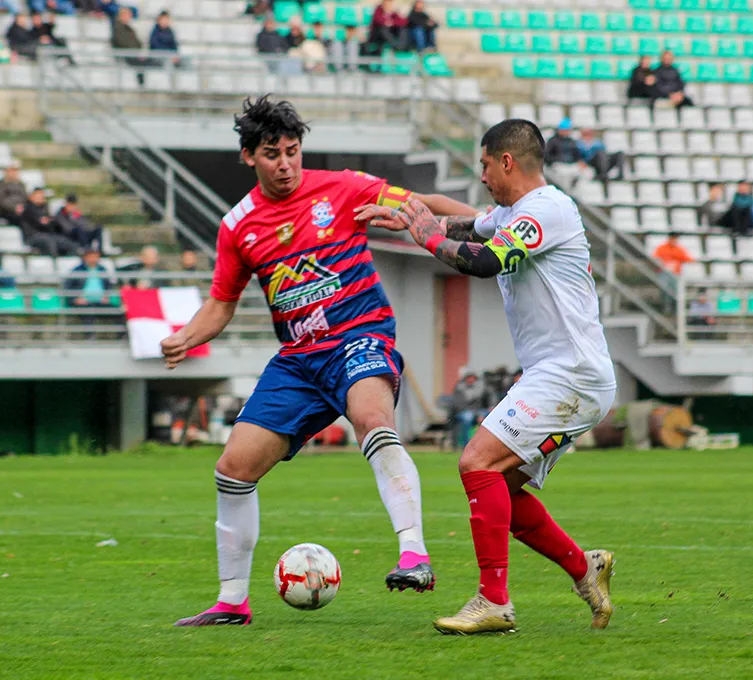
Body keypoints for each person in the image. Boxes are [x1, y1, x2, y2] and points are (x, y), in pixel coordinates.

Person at [163, 95, 475, 626]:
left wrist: (497, 227)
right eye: (272, 154)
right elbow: (221, 303)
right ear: (248, 157)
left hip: (359, 336)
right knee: (233, 470)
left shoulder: (344, 187)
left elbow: (423, 204)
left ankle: (414, 555)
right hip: (299, 361)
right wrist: (185, 337)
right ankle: (232, 602)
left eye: (292, 151)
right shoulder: (238, 226)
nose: (285, 164)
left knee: (372, 419)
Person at [355, 118, 616, 635]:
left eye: (484, 164)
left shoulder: (547, 209)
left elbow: (484, 260)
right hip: (561, 373)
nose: (480, 175)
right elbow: (466, 224)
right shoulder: (514, 214)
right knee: (503, 493)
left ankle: (494, 601)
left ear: (506, 162)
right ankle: (585, 569)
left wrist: (425, 233)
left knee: (476, 463)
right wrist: (409, 214)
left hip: (571, 373)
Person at [20, 187, 78, 256]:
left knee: (70, 244)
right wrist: (49, 221)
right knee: (49, 243)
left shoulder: (44, 208)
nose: (41, 198)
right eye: (38, 196)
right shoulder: (28, 208)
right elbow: (42, 223)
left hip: (47, 235)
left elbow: (49, 222)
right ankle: (52, 262)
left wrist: (49, 221)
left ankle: (69, 261)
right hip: (32, 236)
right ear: (31, 197)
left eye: (42, 196)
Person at [112, 6, 154, 86]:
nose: (129, 17)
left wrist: (140, 49)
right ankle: (141, 85)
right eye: (127, 15)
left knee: (150, 61)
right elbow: (121, 43)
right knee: (142, 63)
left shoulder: (129, 28)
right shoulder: (118, 28)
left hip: (133, 54)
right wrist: (136, 51)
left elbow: (137, 42)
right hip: (125, 55)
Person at [544, 118, 586, 187]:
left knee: (584, 172)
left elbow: (577, 155)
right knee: (564, 175)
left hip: (571, 165)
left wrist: (580, 161)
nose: (566, 132)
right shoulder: (553, 141)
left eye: (567, 130)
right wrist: (556, 161)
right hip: (557, 166)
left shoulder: (572, 141)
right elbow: (547, 156)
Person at [451, 369, 486, 449]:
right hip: (462, 411)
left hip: (476, 411)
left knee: (487, 417)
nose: (471, 379)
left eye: (473, 378)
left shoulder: (479, 389)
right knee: (467, 418)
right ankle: (466, 445)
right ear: (466, 379)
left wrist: (478, 414)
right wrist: (475, 414)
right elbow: (458, 404)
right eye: (469, 378)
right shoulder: (459, 388)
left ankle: (483, 445)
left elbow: (480, 404)